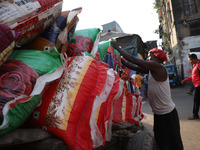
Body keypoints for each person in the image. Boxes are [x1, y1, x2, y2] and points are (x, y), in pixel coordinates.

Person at [111, 41, 183, 150]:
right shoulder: (152, 70)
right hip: (159, 114)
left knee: (173, 144)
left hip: (167, 114)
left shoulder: (158, 67)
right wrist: (120, 60)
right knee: (161, 141)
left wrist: (119, 49)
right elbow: (134, 67)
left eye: (150, 57)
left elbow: (135, 61)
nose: (148, 59)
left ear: (157, 58)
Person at [181, 54, 200, 120]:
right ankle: (195, 114)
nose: (190, 61)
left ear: (194, 59)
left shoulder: (198, 65)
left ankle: (195, 115)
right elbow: (193, 76)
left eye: (190, 60)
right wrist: (185, 80)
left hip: (199, 86)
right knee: (196, 101)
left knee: (196, 101)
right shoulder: (195, 65)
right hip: (196, 86)